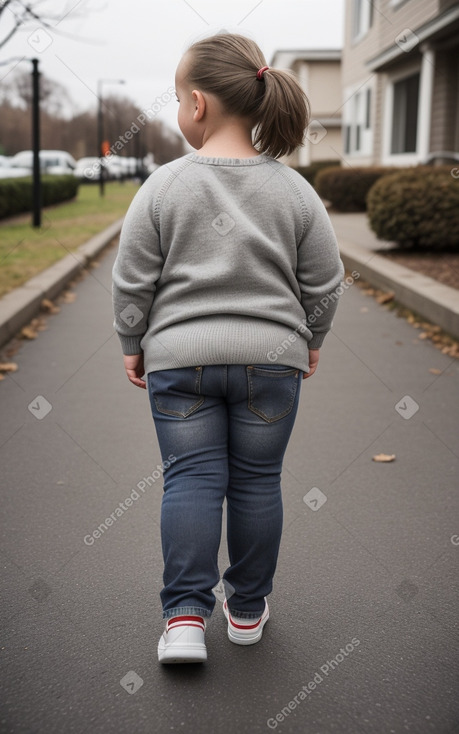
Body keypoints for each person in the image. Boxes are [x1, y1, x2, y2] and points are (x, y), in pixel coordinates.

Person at [112, 32, 345, 665]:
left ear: (195, 104)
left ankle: (185, 620)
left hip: (178, 361)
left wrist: (134, 341)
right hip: (273, 363)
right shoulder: (294, 191)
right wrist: (310, 341)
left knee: (189, 481)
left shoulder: (162, 186)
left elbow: (133, 277)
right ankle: (246, 610)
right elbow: (325, 280)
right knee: (256, 482)